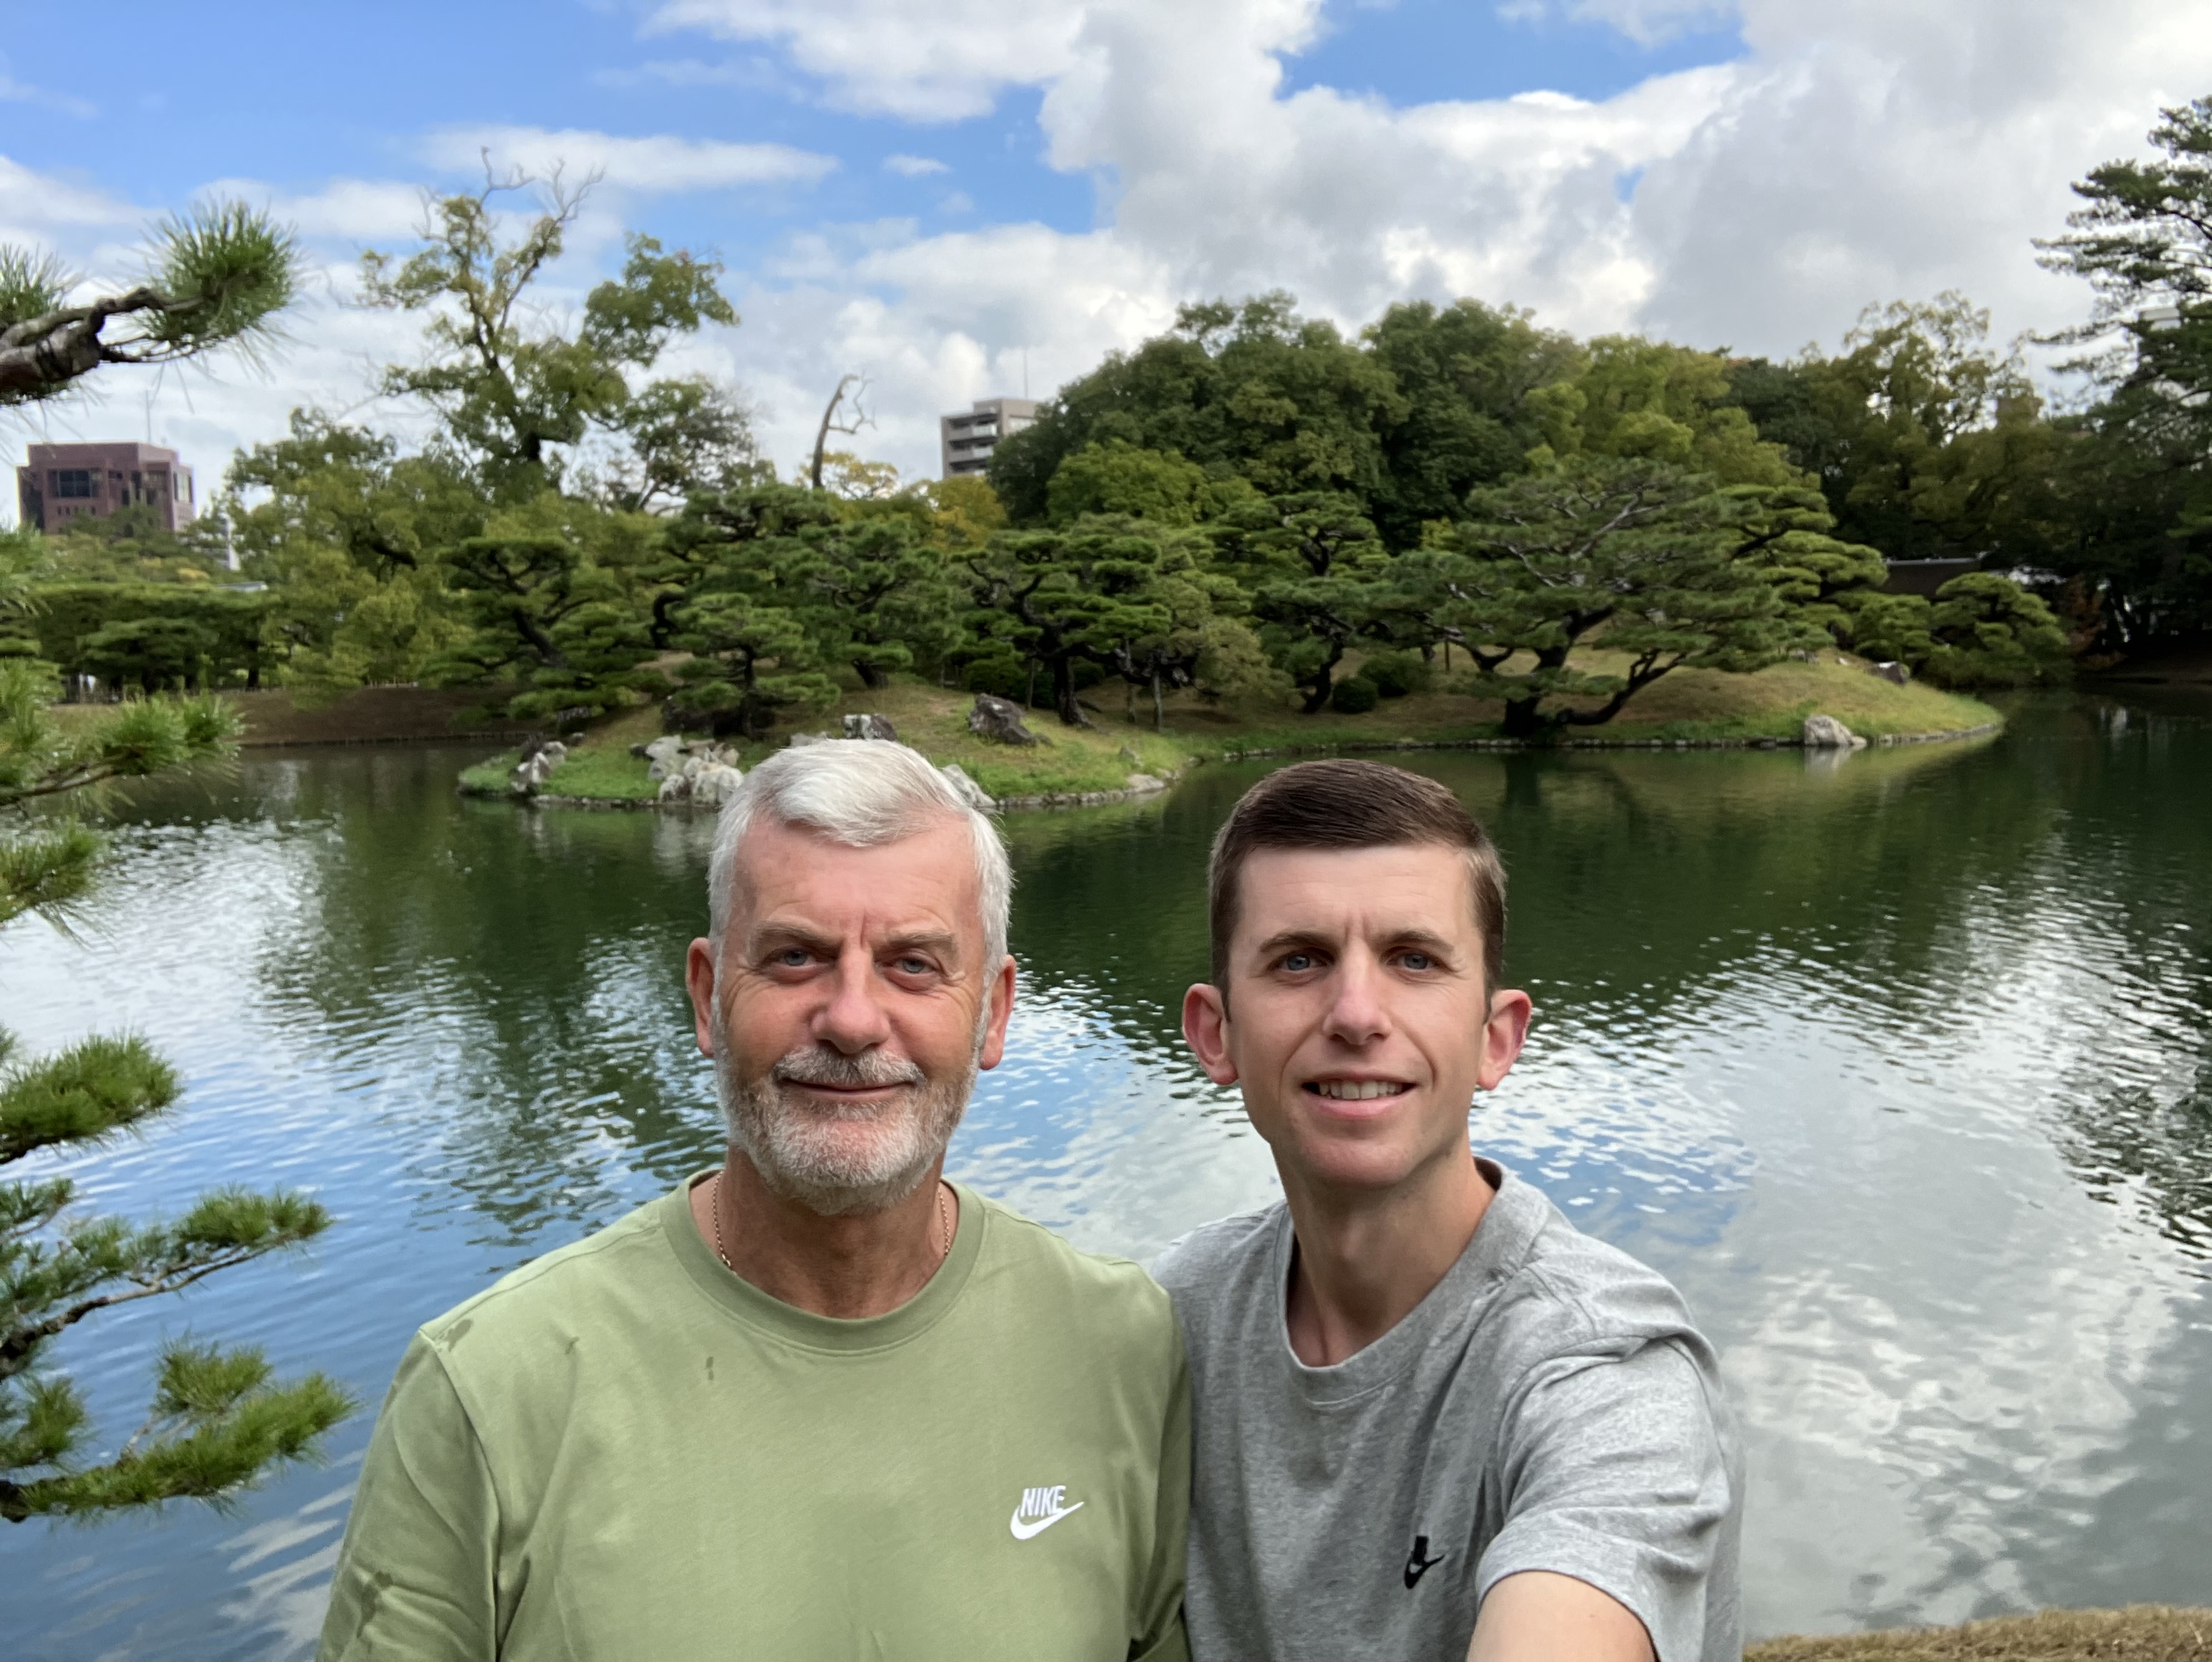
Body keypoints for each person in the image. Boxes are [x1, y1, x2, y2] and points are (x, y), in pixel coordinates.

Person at [318, 740, 1190, 1661]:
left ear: (995, 1012)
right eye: (794, 957)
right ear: (705, 997)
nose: (852, 1019)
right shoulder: (490, 1387)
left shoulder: (1122, 1347)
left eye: (914, 965)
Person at [1154, 759, 1739, 1662]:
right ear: (1214, 1031)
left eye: (1413, 960)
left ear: (1495, 1037)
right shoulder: (1168, 1318)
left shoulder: (1602, 1371)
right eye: (1298, 959)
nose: (1355, 1013)